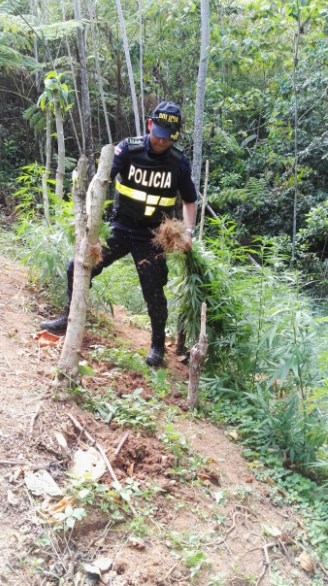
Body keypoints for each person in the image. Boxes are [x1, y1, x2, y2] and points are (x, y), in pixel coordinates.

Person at [40, 101, 198, 367]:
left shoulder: (178, 163)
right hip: (120, 227)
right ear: (150, 125)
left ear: (176, 135)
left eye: (168, 137)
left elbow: (190, 201)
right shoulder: (128, 149)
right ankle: (70, 318)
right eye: (158, 133)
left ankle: (157, 346)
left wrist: (188, 232)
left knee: (154, 293)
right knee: (78, 266)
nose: (161, 141)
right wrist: (91, 221)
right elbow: (101, 181)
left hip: (155, 236)